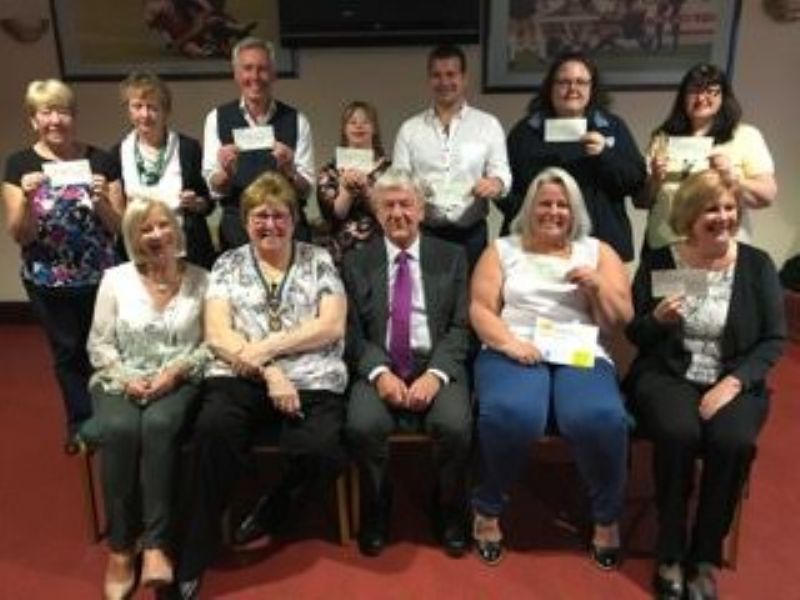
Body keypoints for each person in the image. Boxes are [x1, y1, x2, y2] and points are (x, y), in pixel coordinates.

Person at [169, 171, 347, 599]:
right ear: (245, 220)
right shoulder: (227, 264)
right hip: (241, 374)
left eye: (279, 215)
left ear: (294, 219)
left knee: (323, 448)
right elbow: (217, 333)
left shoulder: (318, 259)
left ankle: (278, 500)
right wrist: (270, 370)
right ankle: (194, 552)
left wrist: (269, 347)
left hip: (312, 375)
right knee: (213, 432)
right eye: (259, 216)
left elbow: (331, 325)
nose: (270, 224)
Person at [625, 170, 786, 599]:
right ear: (690, 216)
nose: (723, 217)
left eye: (730, 207)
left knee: (731, 442)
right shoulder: (663, 261)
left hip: (732, 376)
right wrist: (656, 320)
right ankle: (671, 550)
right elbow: (636, 334)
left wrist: (733, 384)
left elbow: (773, 340)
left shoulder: (756, 265)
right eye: (711, 209)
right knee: (678, 433)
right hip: (669, 373)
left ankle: (704, 554)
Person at [470, 167, 632, 568]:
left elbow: (619, 320)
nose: (554, 211)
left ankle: (606, 518)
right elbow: (480, 308)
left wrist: (597, 286)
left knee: (601, 417)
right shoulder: (503, 249)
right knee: (513, 413)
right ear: (530, 207)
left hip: (580, 350)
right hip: (515, 345)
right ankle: (487, 508)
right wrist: (510, 343)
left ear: (574, 211)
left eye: (563, 204)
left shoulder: (597, 251)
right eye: (545, 203)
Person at [342, 168, 472, 558]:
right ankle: (378, 505)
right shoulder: (355, 262)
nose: (397, 213)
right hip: (379, 362)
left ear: (421, 210)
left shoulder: (451, 257)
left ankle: (448, 506)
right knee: (362, 426)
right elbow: (351, 332)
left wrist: (435, 374)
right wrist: (379, 373)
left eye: (406, 204)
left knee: (456, 426)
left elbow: (461, 327)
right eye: (388, 205)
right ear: (377, 213)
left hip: (434, 362)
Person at [87, 198, 208, 599]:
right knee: (119, 429)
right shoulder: (115, 279)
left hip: (181, 377)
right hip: (121, 379)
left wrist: (175, 373)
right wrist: (124, 379)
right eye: (145, 229)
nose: (156, 235)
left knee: (158, 425)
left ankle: (157, 544)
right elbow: (99, 345)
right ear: (133, 237)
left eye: (162, 226)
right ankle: (121, 549)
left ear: (176, 228)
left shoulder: (202, 280)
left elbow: (212, 345)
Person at [2, 79, 125, 453]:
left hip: (101, 276)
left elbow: (119, 228)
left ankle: (113, 419)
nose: (56, 119)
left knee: (106, 349)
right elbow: (20, 235)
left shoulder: (100, 160)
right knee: (68, 352)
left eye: (63, 111)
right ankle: (81, 425)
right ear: (33, 119)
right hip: (48, 280)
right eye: (46, 112)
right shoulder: (20, 164)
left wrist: (102, 199)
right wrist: (26, 197)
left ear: (73, 116)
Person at [502, 51, 645, 262]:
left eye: (581, 82)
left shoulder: (612, 127)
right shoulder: (526, 131)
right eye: (564, 82)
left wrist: (605, 155)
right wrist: (531, 216)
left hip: (602, 248)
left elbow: (636, 181)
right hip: (537, 248)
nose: (572, 89)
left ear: (592, 87)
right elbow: (505, 188)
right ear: (551, 87)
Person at [393, 44, 511, 271]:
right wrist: (414, 189)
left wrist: (495, 183)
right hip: (425, 232)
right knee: (427, 302)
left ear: (464, 78)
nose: (444, 82)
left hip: (471, 235)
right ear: (429, 80)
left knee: (469, 301)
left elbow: (502, 173)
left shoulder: (488, 125)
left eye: (451, 74)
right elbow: (399, 179)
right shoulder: (410, 129)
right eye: (437, 75)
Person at [636, 63, 777, 252]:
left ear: (723, 97)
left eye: (712, 91)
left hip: (720, 250)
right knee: (671, 283)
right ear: (683, 97)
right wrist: (654, 180)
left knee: (715, 282)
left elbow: (767, 196)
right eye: (694, 91)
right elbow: (642, 201)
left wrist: (733, 177)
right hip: (666, 246)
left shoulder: (746, 135)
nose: (702, 98)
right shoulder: (662, 137)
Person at [203, 36, 314, 250]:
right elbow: (215, 188)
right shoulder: (216, 118)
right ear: (236, 74)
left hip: (287, 230)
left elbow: (305, 190)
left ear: (273, 74)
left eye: (262, 69)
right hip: (237, 231)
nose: (255, 76)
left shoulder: (297, 120)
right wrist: (225, 173)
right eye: (247, 68)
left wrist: (290, 171)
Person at [112, 71, 216, 269]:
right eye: (137, 107)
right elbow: (118, 217)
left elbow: (208, 204)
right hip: (139, 256)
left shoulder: (187, 148)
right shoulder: (117, 153)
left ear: (165, 111)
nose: (145, 114)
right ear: (129, 110)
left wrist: (196, 203)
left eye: (152, 107)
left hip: (186, 253)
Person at [316, 100, 389, 266]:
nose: (359, 126)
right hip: (342, 255)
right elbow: (335, 216)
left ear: (374, 128)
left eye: (365, 122)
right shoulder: (329, 172)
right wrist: (346, 191)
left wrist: (367, 191)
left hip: (380, 253)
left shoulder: (389, 170)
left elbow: (388, 213)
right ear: (344, 128)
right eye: (353, 122)